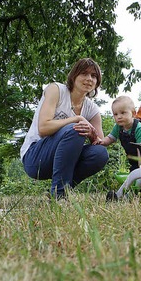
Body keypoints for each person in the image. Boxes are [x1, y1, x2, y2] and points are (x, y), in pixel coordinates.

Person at [20, 58, 109, 200]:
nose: (89, 79)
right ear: (74, 76)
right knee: (75, 129)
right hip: (35, 158)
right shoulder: (57, 90)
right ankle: (60, 196)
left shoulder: (92, 109)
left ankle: (61, 189)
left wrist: (92, 135)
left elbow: (99, 142)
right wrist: (76, 119)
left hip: (65, 160)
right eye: (84, 74)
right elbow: (43, 128)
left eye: (94, 76)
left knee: (100, 154)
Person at [95, 95, 141, 203]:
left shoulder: (139, 129)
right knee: (133, 177)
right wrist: (102, 142)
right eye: (115, 114)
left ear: (133, 113)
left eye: (123, 113)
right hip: (134, 158)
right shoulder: (118, 127)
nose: (119, 117)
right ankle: (129, 195)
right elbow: (111, 138)